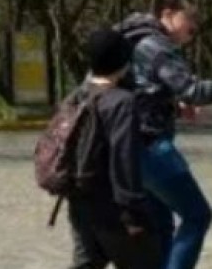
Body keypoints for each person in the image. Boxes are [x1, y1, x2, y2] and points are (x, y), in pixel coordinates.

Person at [116, 0, 212, 269]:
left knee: (161, 225)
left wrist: (173, 106)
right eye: (190, 18)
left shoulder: (135, 40)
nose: (194, 27)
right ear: (167, 14)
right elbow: (193, 90)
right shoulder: (156, 45)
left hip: (131, 145)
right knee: (198, 215)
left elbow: (141, 93)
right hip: (151, 146)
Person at [67, 28, 164, 269]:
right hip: (111, 208)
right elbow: (123, 160)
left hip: (78, 201)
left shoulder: (76, 96)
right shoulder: (121, 101)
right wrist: (134, 213)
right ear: (123, 62)